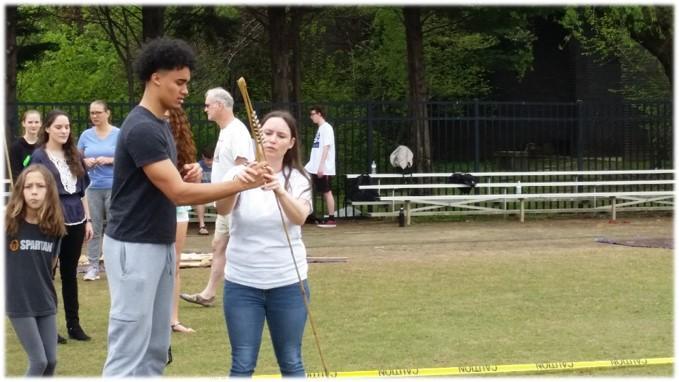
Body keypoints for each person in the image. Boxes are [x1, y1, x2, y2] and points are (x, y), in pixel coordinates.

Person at [101, 37, 266, 377]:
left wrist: (181, 172)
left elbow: (161, 182)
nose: (185, 90)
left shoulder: (160, 124)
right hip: (134, 246)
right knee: (129, 346)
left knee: (155, 347)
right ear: (155, 78)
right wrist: (240, 182)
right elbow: (178, 193)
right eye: (180, 82)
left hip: (157, 243)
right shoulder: (142, 127)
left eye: (187, 82)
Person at [218, 110, 312, 377]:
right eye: (267, 133)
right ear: (257, 137)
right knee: (242, 362)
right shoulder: (239, 172)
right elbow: (223, 209)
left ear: (291, 143)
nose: (272, 139)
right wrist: (238, 184)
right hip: (243, 284)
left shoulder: (299, 179)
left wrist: (279, 189)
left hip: (289, 284)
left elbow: (299, 217)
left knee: (291, 360)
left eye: (281, 135)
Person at [180, 87, 254, 308]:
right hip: (225, 202)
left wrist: (235, 198)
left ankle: (248, 290)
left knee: (237, 247)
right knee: (218, 245)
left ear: (220, 105)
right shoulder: (226, 130)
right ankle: (209, 293)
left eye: (207, 105)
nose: (205, 109)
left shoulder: (237, 131)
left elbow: (244, 167)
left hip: (234, 202)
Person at [30, 110, 94, 343]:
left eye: (67, 127)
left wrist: (88, 220)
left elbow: (83, 190)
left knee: (70, 274)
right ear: (47, 129)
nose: (64, 131)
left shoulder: (75, 154)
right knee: (48, 274)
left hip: (76, 217)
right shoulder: (39, 156)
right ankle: (47, 327)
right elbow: (34, 190)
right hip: (51, 218)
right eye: (59, 127)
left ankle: (74, 326)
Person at [5, 164, 67, 376]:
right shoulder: (8, 225)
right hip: (19, 301)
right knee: (38, 361)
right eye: (28, 186)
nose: (34, 191)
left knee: (51, 361)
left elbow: (50, 265)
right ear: (20, 191)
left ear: (49, 191)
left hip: (45, 300)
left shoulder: (55, 227)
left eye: (40, 186)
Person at [77, 100, 119, 281]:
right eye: (92, 113)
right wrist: (84, 162)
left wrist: (110, 160)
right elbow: (76, 158)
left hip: (114, 187)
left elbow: (129, 158)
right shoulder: (86, 135)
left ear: (108, 113)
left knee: (114, 226)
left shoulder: (119, 134)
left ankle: (114, 265)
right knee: (93, 228)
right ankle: (93, 265)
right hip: (91, 187)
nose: (95, 116)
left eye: (98, 112)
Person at [167, 107, 198, 334]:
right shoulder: (147, 140)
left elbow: (191, 188)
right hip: (154, 209)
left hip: (178, 209)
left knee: (174, 263)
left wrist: (194, 175)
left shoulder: (182, 147)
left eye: (170, 118)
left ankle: (173, 319)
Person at [305, 105, 336, 228]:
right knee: (304, 185)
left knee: (326, 191)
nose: (311, 117)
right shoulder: (321, 129)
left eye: (313, 114)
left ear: (319, 114)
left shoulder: (326, 128)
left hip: (322, 167)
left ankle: (331, 218)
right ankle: (309, 214)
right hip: (313, 166)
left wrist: (322, 166)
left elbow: (326, 147)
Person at [9, 110, 42, 180]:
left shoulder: (44, 145)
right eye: (30, 122)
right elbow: (16, 174)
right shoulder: (16, 147)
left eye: (36, 122)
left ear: (41, 124)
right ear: (23, 124)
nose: (33, 125)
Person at [194, 144, 214, 235]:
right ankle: (202, 225)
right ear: (203, 157)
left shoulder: (219, 165)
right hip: (203, 192)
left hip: (216, 192)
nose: (209, 162)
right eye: (207, 159)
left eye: (211, 159)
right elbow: (197, 186)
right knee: (199, 199)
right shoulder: (198, 166)